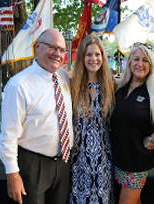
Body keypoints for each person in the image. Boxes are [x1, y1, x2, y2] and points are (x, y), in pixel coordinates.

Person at [0, 29, 73, 204]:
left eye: (62, 50)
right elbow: (7, 136)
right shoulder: (18, 85)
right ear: (37, 47)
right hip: (32, 166)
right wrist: (12, 174)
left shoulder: (63, 76)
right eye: (52, 47)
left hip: (63, 163)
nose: (58, 54)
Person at [110, 42, 154, 204]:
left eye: (145, 60)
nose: (140, 64)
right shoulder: (120, 88)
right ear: (129, 62)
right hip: (119, 159)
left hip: (137, 162)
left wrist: (152, 139)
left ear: (150, 65)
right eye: (136, 59)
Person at [69, 35, 115, 204]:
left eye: (97, 54)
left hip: (103, 154)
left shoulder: (111, 85)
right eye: (89, 55)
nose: (93, 59)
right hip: (79, 154)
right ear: (82, 57)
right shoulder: (72, 84)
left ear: (103, 57)